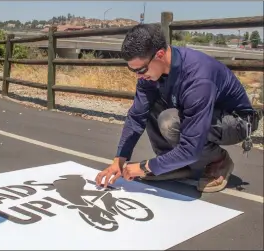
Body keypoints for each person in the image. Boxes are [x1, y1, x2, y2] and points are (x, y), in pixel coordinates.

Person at [95, 23, 260, 193]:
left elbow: (191, 148)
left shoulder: (197, 77)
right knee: (151, 106)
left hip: (236, 121)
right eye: (132, 70)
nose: (138, 76)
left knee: (169, 121)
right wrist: (119, 160)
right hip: (203, 114)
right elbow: (137, 116)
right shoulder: (150, 74)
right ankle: (171, 165)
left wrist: (144, 167)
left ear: (159, 54)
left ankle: (218, 161)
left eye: (141, 69)